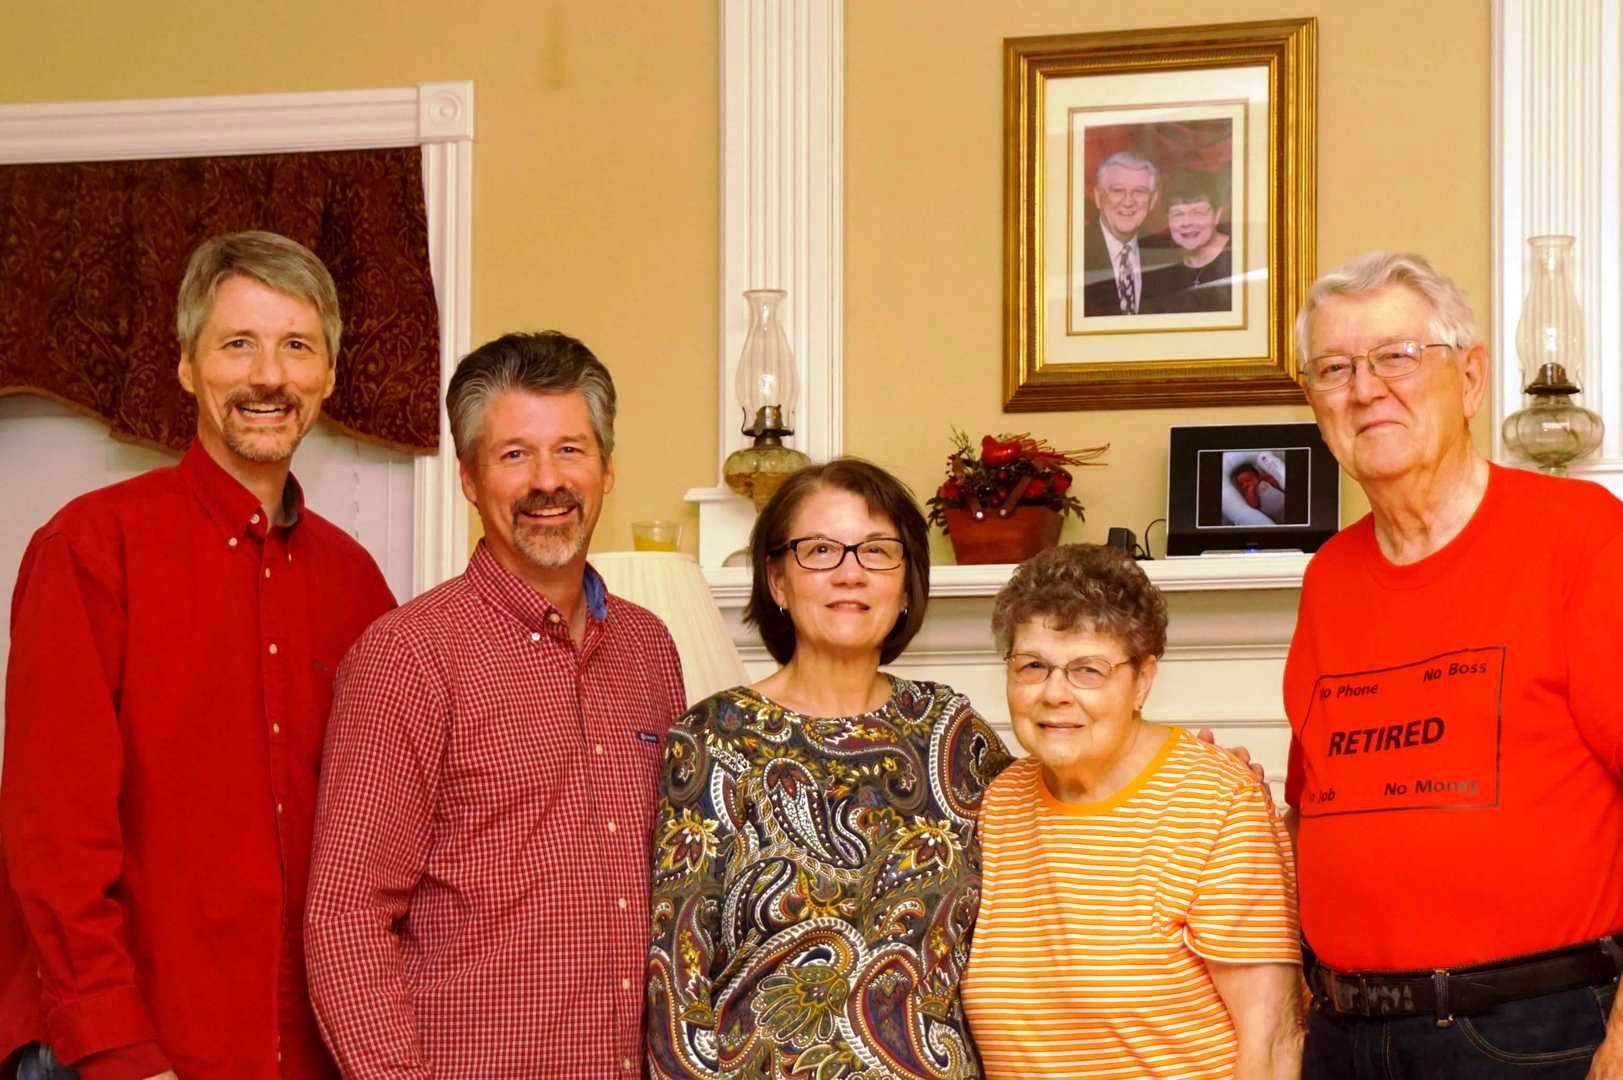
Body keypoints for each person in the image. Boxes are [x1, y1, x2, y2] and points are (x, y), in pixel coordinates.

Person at [0, 231, 396, 1079]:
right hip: (122, 1049)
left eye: (297, 347)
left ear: (329, 376)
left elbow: (378, 843)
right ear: (186, 366)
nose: (269, 376)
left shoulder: (358, 585)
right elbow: (52, 833)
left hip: (303, 1054)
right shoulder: (90, 548)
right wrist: (122, 1052)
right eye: (238, 344)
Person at [304, 331, 685, 1078]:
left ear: (607, 469)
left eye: (570, 450)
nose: (548, 481)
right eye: (514, 455)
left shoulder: (648, 648)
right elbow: (346, 915)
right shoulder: (409, 656)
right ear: (470, 480)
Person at [1286, 251, 1623, 1077]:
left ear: (1469, 377)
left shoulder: (1580, 534)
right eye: (1334, 368)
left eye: (1396, 356)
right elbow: (1311, 805)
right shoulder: (1328, 576)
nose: (1365, 389)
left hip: (1531, 1035)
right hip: (1342, 1035)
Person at [646, 458, 1012, 1079]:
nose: (850, 572)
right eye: (819, 550)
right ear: (778, 581)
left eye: (877, 551)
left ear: (907, 585)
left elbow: (1069, 835)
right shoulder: (713, 737)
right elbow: (674, 982)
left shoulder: (952, 731)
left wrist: (1179, 770)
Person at [962, 543, 1302, 1078]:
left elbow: (1274, 1040)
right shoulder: (999, 804)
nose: (1054, 693)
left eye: (1088, 670)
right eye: (1033, 666)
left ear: (1143, 680)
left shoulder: (1216, 801)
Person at [1083, 151, 1172, 316]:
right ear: (1098, 197)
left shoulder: (1165, 256)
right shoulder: (1072, 252)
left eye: (1140, 191)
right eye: (1117, 190)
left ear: (1153, 200)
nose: (1128, 201)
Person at [1142, 172, 1234, 315]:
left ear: (1217, 215)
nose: (1186, 222)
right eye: (1177, 214)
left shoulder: (1240, 259)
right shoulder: (1162, 269)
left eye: (1198, 212)